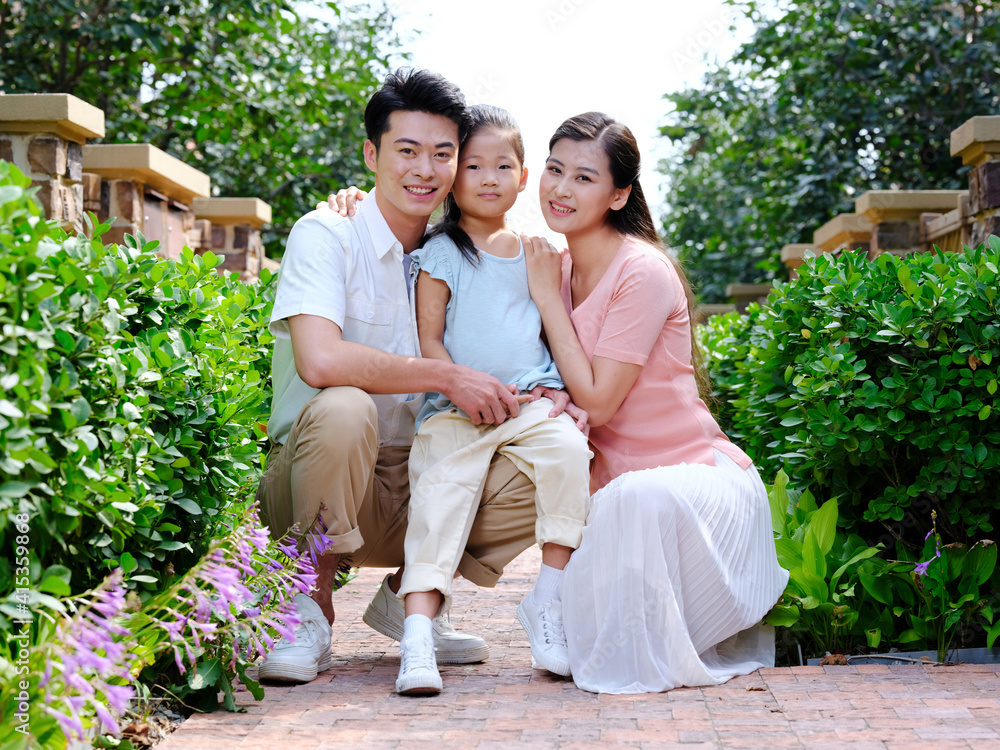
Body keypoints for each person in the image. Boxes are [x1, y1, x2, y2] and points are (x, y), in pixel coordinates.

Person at [255, 68, 548, 684]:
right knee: (344, 406)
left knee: (558, 456)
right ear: (371, 154)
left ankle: (413, 599)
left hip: (421, 480)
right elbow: (320, 360)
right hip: (319, 477)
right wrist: (444, 375)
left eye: (444, 154)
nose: (425, 169)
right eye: (406, 151)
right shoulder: (327, 234)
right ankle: (308, 608)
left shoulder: (462, 256)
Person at [520, 112, 789, 694]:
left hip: (689, 486)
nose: (561, 189)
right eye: (554, 169)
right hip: (605, 494)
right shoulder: (552, 267)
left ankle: (558, 596)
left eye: (584, 178)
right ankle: (416, 597)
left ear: (619, 194)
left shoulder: (641, 271)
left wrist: (546, 301)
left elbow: (599, 401)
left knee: (635, 498)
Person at [393, 105, 593, 696]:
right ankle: (418, 636)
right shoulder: (442, 250)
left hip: (528, 405)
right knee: (439, 501)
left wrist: (556, 386)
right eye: (473, 165)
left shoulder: (538, 253)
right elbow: (430, 338)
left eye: (501, 165)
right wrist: (462, 385)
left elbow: (549, 329)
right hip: (455, 409)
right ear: (454, 177)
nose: (486, 178)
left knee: (568, 454)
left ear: (523, 176)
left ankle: (548, 601)